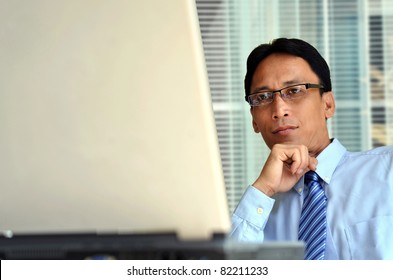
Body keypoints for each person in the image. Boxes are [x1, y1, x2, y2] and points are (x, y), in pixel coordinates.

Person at [230, 38, 393, 260]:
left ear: (328, 104)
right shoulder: (257, 215)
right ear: (254, 121)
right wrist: (264, 189)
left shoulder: (387, 170)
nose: (279, 109)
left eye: (294, 90)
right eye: (263, 97)